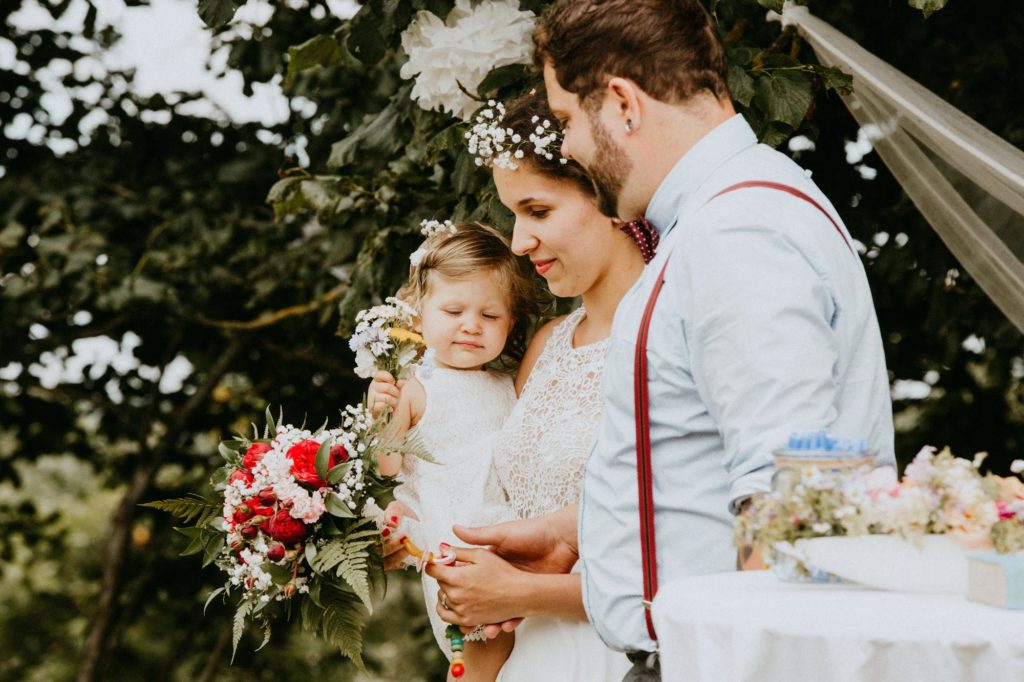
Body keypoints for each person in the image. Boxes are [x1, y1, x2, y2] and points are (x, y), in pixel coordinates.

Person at [434, 1, 897, 680]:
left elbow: (790, 493)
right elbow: (704, 467)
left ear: (621, 103)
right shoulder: (727, 215)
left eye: (565, 120)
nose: (567, 149)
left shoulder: (737, 232)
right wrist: (575, 530)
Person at [372, 93, 644, 681]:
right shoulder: (545, 347)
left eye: (537, 212)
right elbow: (487, 490)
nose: (518, 242)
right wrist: (424, 535)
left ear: (610, 193)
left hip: (619, 654)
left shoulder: (664, 333)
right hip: (523, 655)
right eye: (513, 216)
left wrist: (517, 591)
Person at [373, 221, 540, 677]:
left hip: (516, 535)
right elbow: (388, 465)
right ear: (418, 313)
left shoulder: (509, 383)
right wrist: (382, 412)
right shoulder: (415, 388)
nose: (471, 326)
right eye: (453, 311)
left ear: (511, 322)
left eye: (489, 316)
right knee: (480, 660)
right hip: (458, 542)